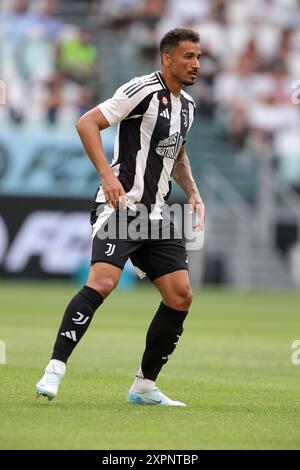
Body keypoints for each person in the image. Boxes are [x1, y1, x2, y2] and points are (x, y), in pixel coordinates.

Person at [36, 28, 205, 406]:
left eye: (198, 57)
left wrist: (193, 192)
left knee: (180, 296)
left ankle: (144, 386)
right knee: (104, 281)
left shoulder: (189, 106)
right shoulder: (141, 89)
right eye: (188, 57)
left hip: (157, 215)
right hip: (121, 207)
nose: (196, 64)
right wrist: (108, 176)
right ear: (167, 58)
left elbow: (174, 154)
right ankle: (55, 369)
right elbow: (86, 123)